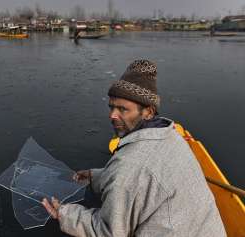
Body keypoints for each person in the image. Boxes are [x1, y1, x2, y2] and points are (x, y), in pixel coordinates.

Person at [42, 59, 226, 237]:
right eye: (111, 107)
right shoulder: (171, 136)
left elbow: (108, 232)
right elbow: (141, 183)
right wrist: (96, 176)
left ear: (148, 112)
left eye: (123, 109)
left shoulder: (130, 165)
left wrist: (64, 214)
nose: (112, 116)